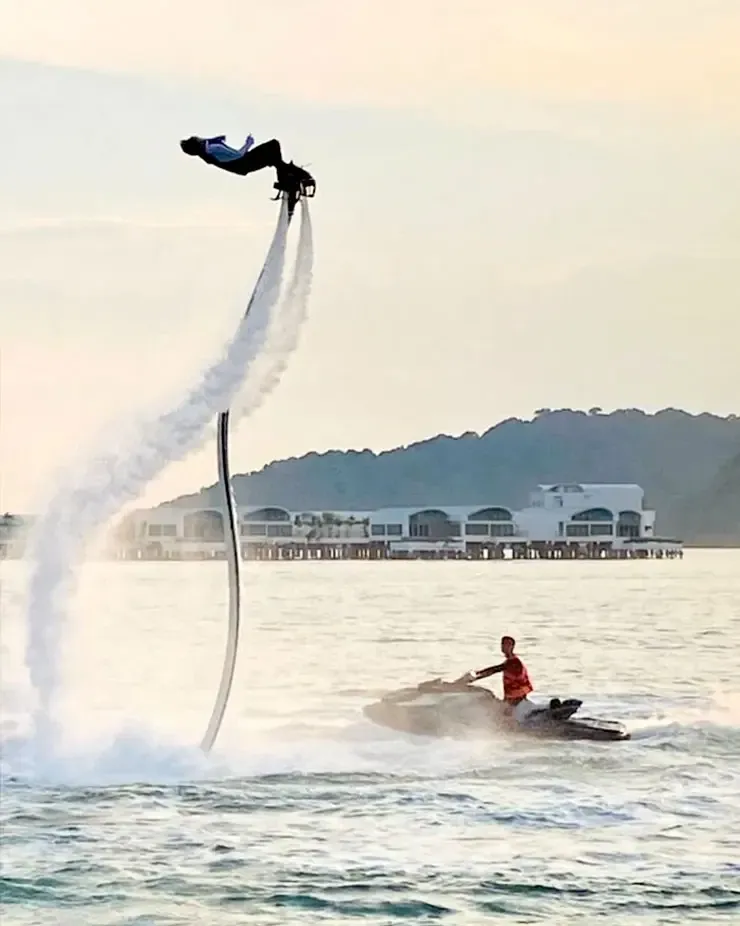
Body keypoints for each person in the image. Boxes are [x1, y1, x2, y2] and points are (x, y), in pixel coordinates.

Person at [179, 134, 314, 191]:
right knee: (274, 145)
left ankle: (286, 178)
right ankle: (286, 179)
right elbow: (238, 154)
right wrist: (248, 143)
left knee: (273, 157)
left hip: (241, 166)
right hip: (245, 162)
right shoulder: (213, 149)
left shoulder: (205, 153)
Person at [456, 635, 535, 721]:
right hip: (511, 701)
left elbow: (495, 670)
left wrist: (475, 676)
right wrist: (476, 674)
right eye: (503, 644)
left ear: (512, 646)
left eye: (507, 645)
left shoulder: (515, 663)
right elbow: (495, 669)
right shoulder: (509, 661)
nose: (504, 647)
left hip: (515, 702)